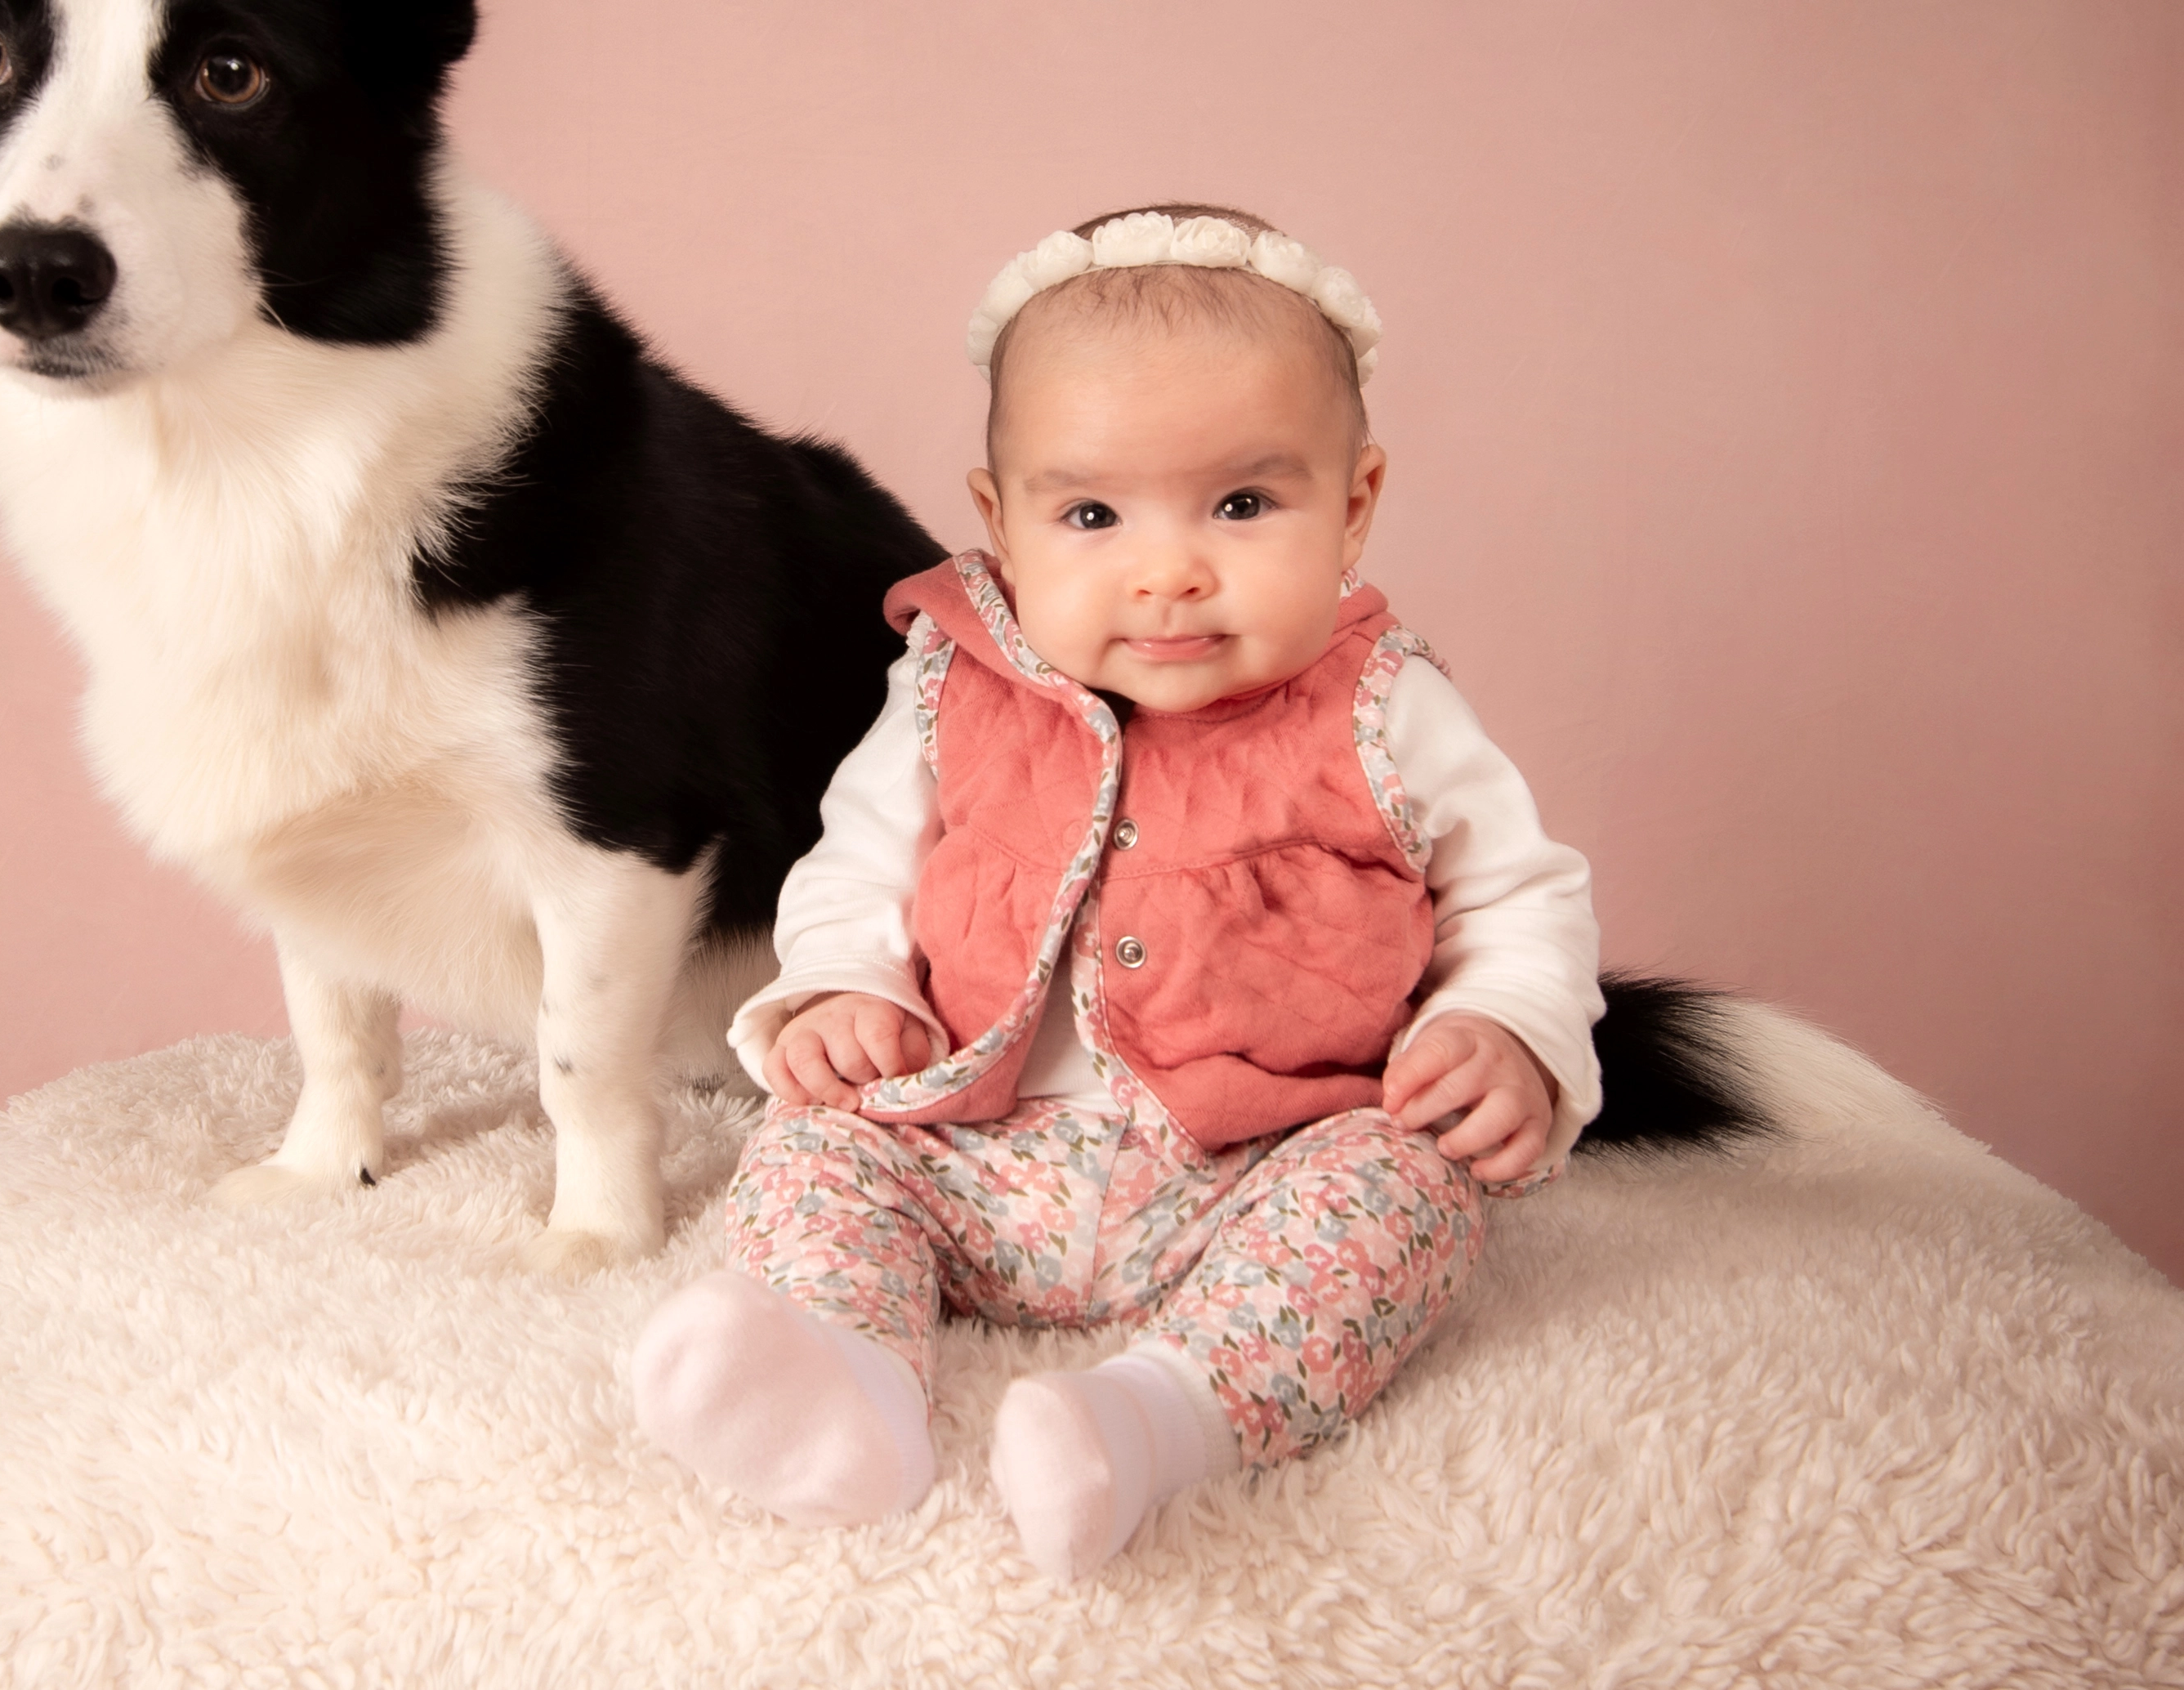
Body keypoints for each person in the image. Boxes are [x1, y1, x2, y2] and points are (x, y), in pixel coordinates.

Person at [631, 207, 1605, 1582]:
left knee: (1409, 1192)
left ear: (1355, 504)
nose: (1166, 572)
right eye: (1089, 514)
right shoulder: (948, 683)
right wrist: (846, 989)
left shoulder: (1386, 707)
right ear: (1001, 519)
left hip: (1259, 1164)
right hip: (979, 1147)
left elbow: (1517, 898)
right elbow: (855, 862)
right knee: (814, 1143)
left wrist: (1502, 1023)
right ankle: (842, 1382)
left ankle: (1157, 1417)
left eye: (1243, 505)